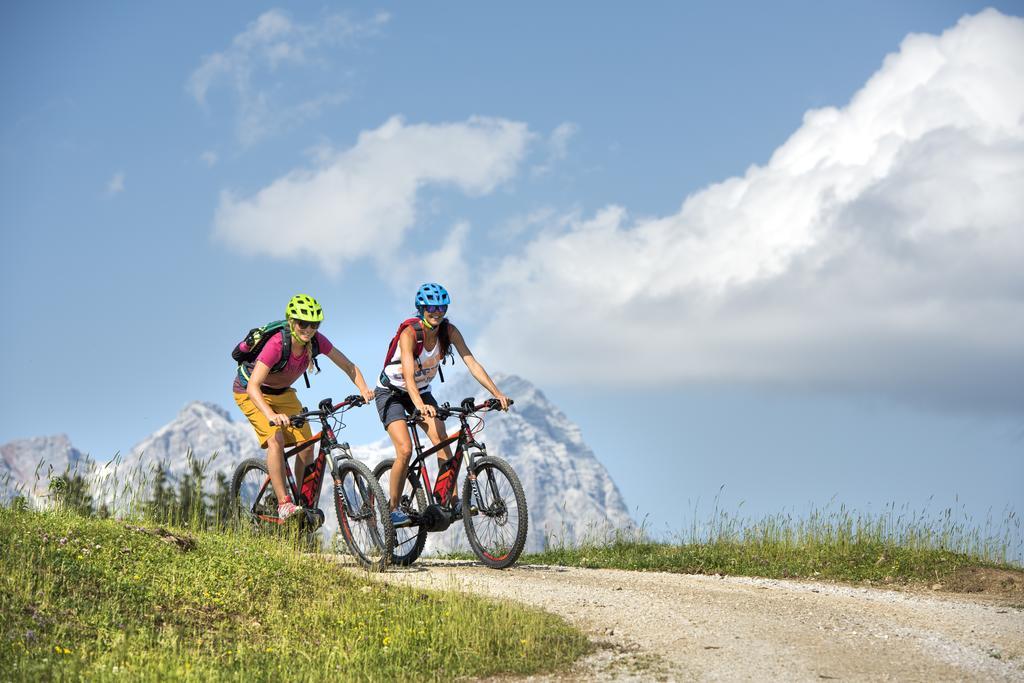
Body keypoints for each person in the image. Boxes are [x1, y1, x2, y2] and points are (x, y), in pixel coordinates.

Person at [375, 283, 509, 526]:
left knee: (443, 441)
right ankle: (392, 509)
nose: (437, 312)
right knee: (404, 450)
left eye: (442, 307)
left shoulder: (449, 331)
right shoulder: (409, 334)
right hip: (392, 392)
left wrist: (497, 393)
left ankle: (451, 500)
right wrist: (418, 405)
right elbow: (407, 376)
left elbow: (472, 363)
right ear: (421, 309)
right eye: (431, 308)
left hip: (422, 391)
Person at [233, 294, 375, 520]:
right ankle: (284, 503)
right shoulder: (277, 344)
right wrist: (271, 414)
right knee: (275, 439)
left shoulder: (318, 341)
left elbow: (348, 365)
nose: (308, 329)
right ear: (291, 321)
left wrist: (364, 389)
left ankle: (300, 503)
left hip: (284, 394)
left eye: (314, 324)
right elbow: (253, 386)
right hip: (251, 393)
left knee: (307, 446)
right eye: (302, 323)